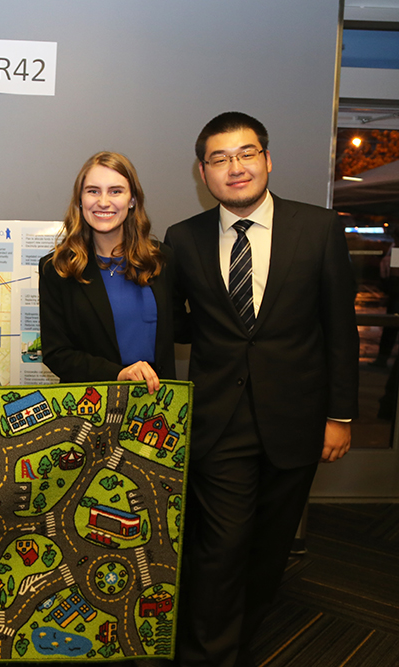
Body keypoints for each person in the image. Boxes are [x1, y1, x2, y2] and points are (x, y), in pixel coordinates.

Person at [164, 112, 358, 667]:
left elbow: (339, 329)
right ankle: (209, 654)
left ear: (267, 160)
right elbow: (176, 322)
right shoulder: (183, 238)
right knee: (220, 548)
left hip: (296, 421)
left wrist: (340, 416)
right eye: (220, 159)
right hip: (218, 422)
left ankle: (242, 639)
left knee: (269, 549)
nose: (235, 167)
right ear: (203, 173)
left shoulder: (318, 229)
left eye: (246, 154)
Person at [39, 151, 177, 393]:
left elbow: (184, 326)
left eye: (116, 191)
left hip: (157, 401)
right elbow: (56, 354)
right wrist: (118, 374)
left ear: (132, 199)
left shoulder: (161, 259)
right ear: (80, 200)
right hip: (90, 403)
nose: (103, 202)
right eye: (93, 191)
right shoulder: (57, 268)